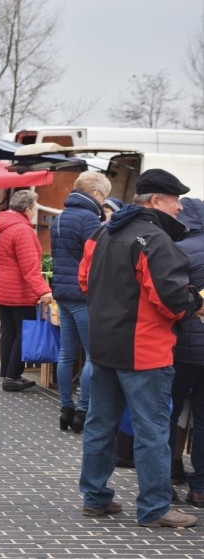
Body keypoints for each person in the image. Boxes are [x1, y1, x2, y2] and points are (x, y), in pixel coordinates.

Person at [78, 169, 203, 528]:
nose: (180, 208)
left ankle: (95, 497)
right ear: (156, 201)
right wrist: (194, 301)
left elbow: (86, 282)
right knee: (152, 431)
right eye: (176, 199)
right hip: (145, 350)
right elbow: (172, 300)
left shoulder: (102, 233)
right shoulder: (155, 239)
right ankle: (155, 507)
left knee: (100, 424)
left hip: (103, 345)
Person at [50, 172, 110, 432]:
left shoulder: (60, 217)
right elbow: (94, 259)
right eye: (104, 196)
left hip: (62, 292)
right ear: (96, 194)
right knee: (92, 356)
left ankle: (66, 409)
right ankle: (83, 412)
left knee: (66, 354)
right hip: (83, 294)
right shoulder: (88, 219)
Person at [0, 190, 53, 392]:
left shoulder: (3, 224)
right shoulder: (23, 230)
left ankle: (7, 372)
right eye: (35, 207)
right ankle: (13, 376)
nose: (35, 211)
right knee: (22, 333)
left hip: (2, 288)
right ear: (28, 208)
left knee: (9, 332)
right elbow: (30, 268)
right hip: (18, 291)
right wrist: (44, 290)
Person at [172, 197, 204, 506]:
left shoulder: (179, 249)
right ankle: (200, 488)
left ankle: (167, 477)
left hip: (181, 348)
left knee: (168, 413)